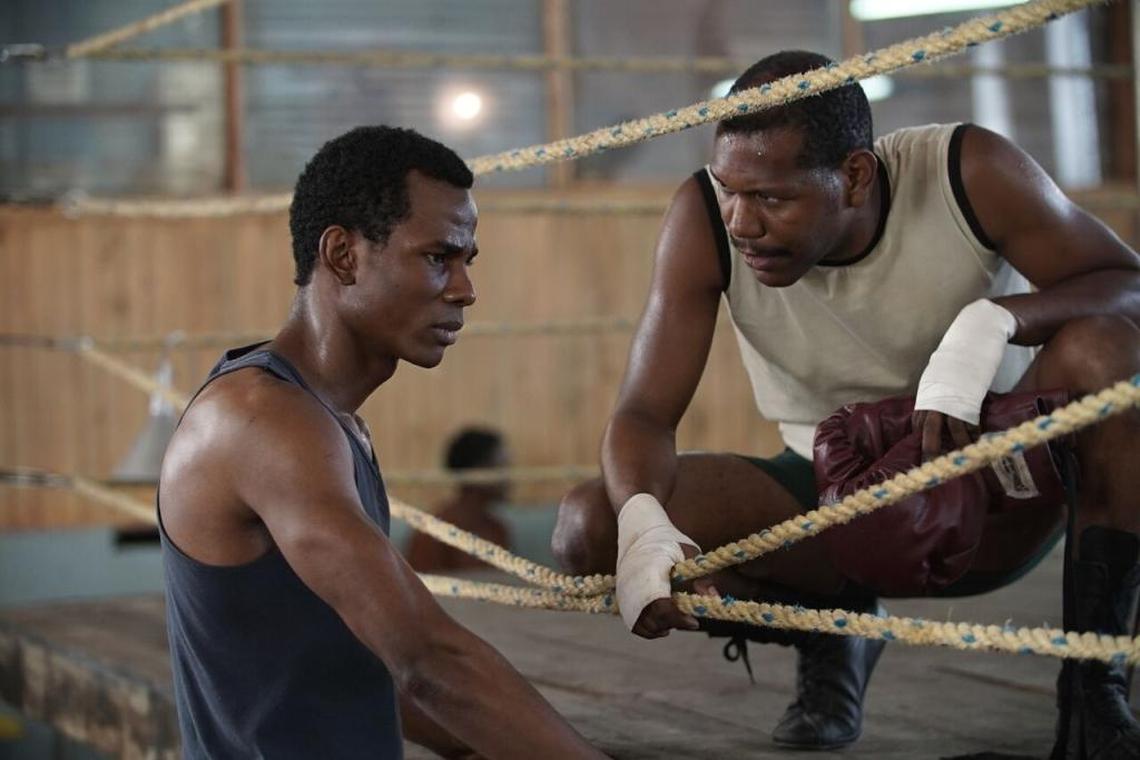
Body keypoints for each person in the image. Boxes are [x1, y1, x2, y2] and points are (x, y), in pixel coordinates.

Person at [552, 50, 1140, 756]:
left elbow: (1126, 283)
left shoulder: (968, 173)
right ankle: (836, 629)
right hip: (826, 502)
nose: (742, 222)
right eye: (729, 187)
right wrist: (646, 526)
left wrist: (995, 319)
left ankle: (1094, 691)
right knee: (593, 526)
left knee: (1106, 348)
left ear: (855, 176)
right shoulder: (705, 220)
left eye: (772, 197)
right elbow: (643, 413)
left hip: (993, 484)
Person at [158, 126, 604, 759]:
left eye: (465, 261)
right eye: (436, 257)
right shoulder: (261, 420)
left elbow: (348, 669)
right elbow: (428, 660)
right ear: (343, 254)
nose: (464, 289)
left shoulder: (330, 424)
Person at [406, 426, 513, 573]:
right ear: (476, 471)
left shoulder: (498, 530)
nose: (508, 477)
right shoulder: (433, 532)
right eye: (501, 468)